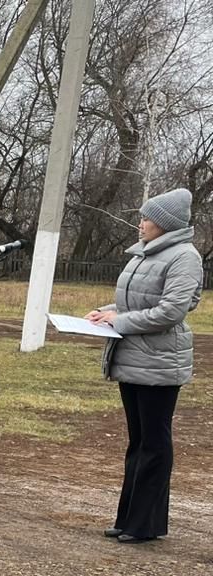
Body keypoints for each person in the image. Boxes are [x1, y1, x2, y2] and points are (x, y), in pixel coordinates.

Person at [86, 188, 202, 544]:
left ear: (164, 223)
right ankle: (129, 519)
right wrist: (108, 312)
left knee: (154, 441)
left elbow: (171, 311)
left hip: (161, 361)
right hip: (133, 357)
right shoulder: (143, 254)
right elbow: (134, 301)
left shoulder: (184, 256)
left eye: (147, 217)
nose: (140, 223)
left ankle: (144, 524)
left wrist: (118, 321)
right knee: (138, 441)